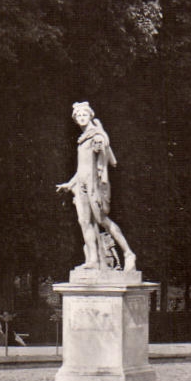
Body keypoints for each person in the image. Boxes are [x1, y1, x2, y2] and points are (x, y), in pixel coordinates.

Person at [56, 102, 135, 272]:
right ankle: (93, 259)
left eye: (84, 114)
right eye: (78, 115)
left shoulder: (96, 136)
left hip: (94, 185)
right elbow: (82, 169)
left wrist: (101, 143)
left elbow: (102, 161)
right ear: (75, 119)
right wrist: (69, 184)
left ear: (90, 115)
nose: (81, 118)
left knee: (101, 220)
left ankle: (129, 253)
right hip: (81, 185)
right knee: (85, 222)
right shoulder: (83, 140)